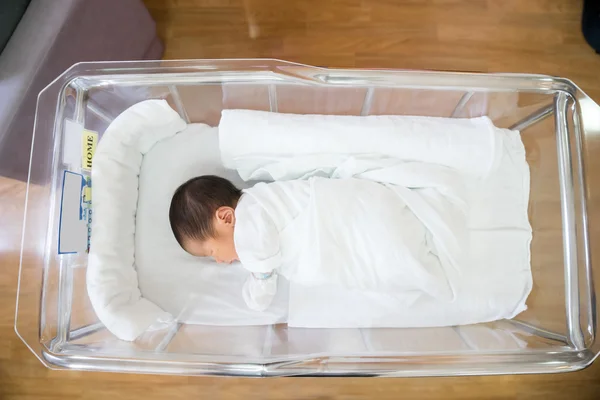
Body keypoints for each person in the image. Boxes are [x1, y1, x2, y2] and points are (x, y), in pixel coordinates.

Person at [169, 175, 451, 311]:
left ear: (226, 217)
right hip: (348, 221)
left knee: (388, 257)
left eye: (211, 251)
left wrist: (258, 289)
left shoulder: (252, 213)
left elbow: (262, 272)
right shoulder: (263, 203)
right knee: (387, 264)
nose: (219, 260)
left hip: (344, 219)